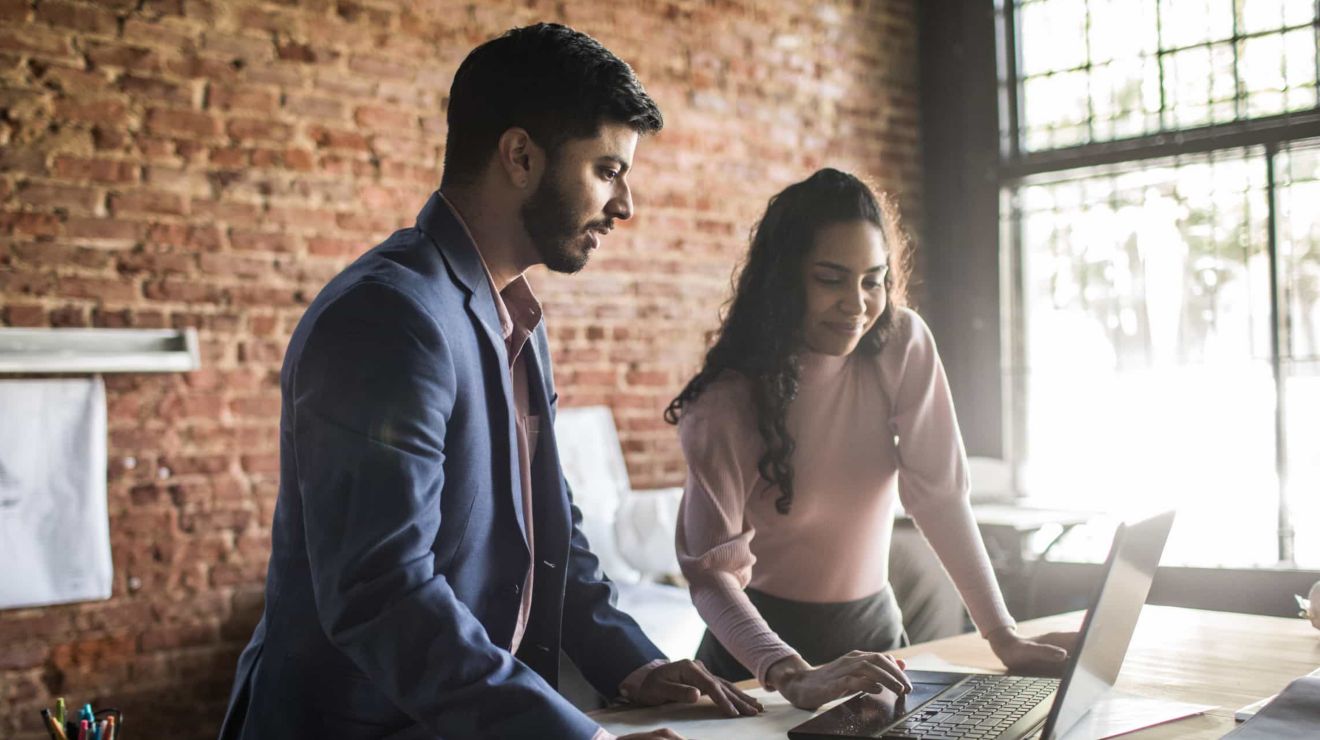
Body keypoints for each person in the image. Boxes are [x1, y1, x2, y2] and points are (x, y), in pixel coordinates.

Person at [219, 23, 761, 740]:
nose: (625, 205)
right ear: (520, 156)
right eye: (606, 170)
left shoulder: (516, 316)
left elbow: (549, 537)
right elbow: (384, 596)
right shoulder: (387, 318)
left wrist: (630, 665)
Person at [666, 168, 1077, 711]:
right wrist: (790, 674)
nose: (857, 303)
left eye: (872, 279)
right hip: (757, 659)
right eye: (831, 279)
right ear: (785, 280)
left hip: (878, 638)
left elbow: (940, 496)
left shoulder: (901, 344)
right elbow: (711, 576)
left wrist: (1004, 637)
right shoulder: (723, 403)